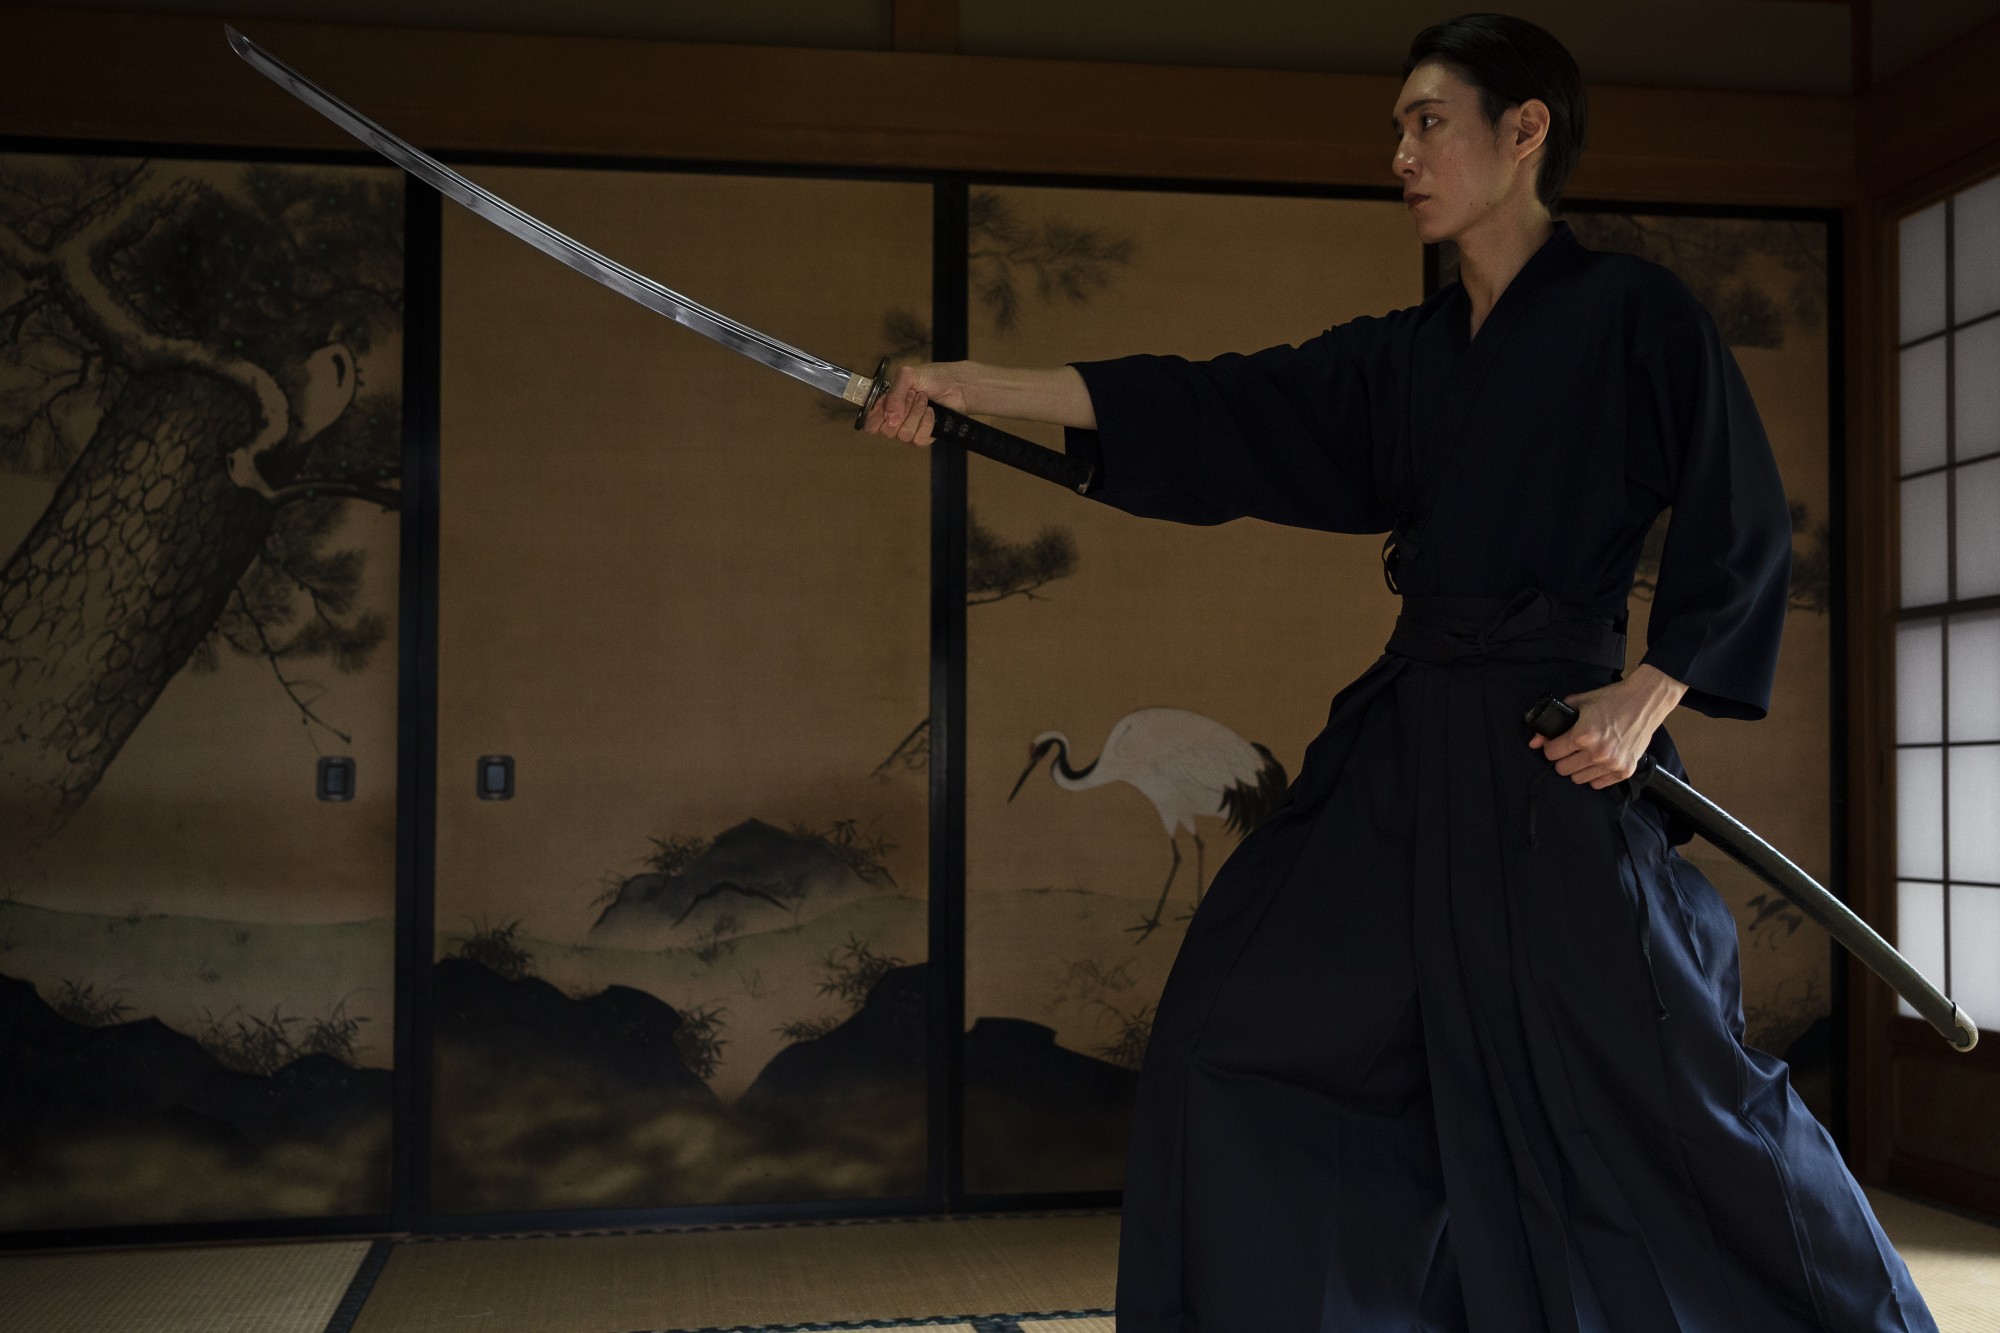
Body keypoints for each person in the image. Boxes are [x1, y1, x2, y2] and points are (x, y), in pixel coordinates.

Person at [863, 13, 1936, 1332]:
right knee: (1232, 1037)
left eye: (1429, 121)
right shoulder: (1410, 357)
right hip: (1405, 746)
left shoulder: (1634, 315)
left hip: (1557, 755)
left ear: (1525, 129)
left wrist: (1647, 696)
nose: (1402, 155)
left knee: (1665, 1083)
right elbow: (1216, 404)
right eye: (1398, 129)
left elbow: (1741, 514)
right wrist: (965, 387)